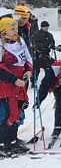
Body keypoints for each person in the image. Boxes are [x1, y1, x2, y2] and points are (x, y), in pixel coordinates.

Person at [0, 18, 33, 154]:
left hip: (20, 82)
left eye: (16, 28)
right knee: (9, 114)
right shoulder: (1, 45)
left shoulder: (20, 40)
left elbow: (28, 57)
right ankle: (2, 143)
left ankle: (12, 141)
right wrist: (13, 79)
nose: (16, 30)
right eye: (12, 28)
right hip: (7, 83)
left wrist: (29, 70)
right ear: (4, 30)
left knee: (18, 113)